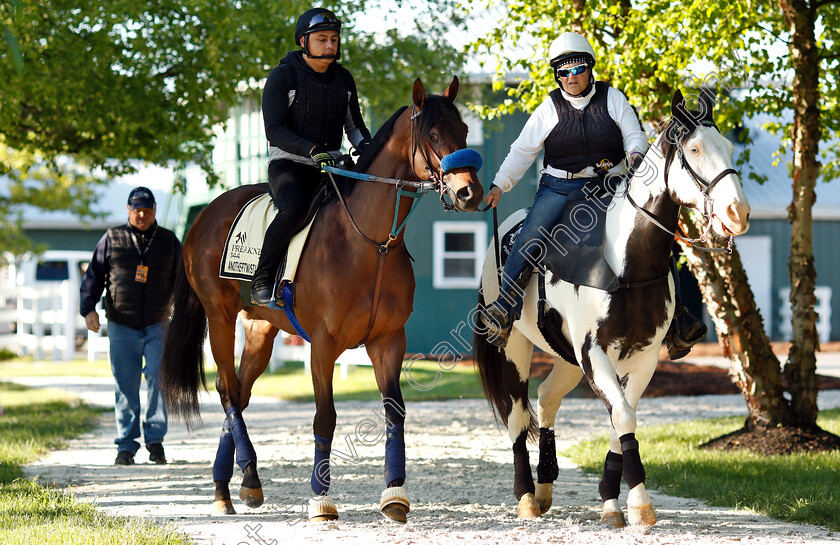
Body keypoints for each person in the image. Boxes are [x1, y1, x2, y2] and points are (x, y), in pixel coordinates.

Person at [482, 32, 706, 354]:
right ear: (556, 74)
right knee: (531, 233)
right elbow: (522, 152)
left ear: (589, 68)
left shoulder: (613, 98)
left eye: (577, 69)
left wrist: (635, 156)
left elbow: (633, 134)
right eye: (563, 71)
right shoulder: (548, 108)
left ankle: (678, 319)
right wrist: (499, 185)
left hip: (611, 184)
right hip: (559, 186)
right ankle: (505, 307)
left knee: (652, 233)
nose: (571, 77)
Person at [252, 7, 372, 306]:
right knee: (293, 208)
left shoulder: (344, 79)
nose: (330, 45)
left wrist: (369, 149)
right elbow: (274, 129)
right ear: (303, 42)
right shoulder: (282, 76)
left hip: (331, 166)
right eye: (322, 39)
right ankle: (263, 278)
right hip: (289, 165)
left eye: (334, 39)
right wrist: (311, 150)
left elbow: (354, 126)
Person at [80, 187, 182, 465]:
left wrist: (184, 310)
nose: (141, 214)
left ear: (154, 210)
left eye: (147, 210)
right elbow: (94, 275)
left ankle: (155, 442)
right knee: (125, 385)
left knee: (159, 381)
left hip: (158, 323)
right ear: (128, 209)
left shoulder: (169, 241)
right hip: (121, 324)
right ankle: (126, 445)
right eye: (136, 209)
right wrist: (88, 309)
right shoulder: (112, 238)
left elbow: (182, 279)